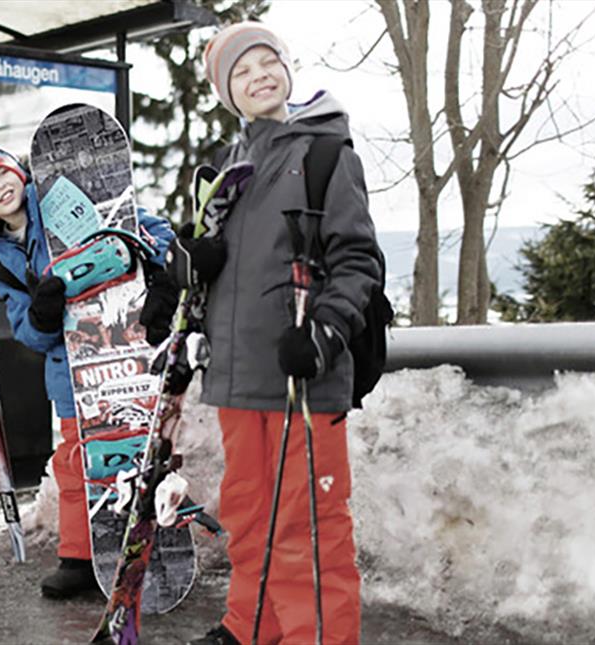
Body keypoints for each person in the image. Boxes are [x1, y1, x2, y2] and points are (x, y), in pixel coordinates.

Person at [167, 22, 382, 645]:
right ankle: (253, 624)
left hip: (301, 376)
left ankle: (318, 636)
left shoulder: (324, 154)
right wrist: (195, 262)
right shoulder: (228, 171)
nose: (260, 75)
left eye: (269, 63)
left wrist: (323, 333)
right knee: (248, 514)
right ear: (227, 93)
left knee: (307, 524)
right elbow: (206, 283)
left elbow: (357, 260)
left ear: (287, 70)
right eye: (242, 71)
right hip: (239, 377)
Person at [0, 138, 177, 599]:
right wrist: (41, 314)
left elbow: (151, 229)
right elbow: (27, 332)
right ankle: (80, 556)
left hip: (122, 353)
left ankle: (148, 546)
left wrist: (160, 276)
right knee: (78, 462)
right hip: (70, 369)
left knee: (134, 451)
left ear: (19, 171)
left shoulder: (63, 200)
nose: (0, 187)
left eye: (2, 173)